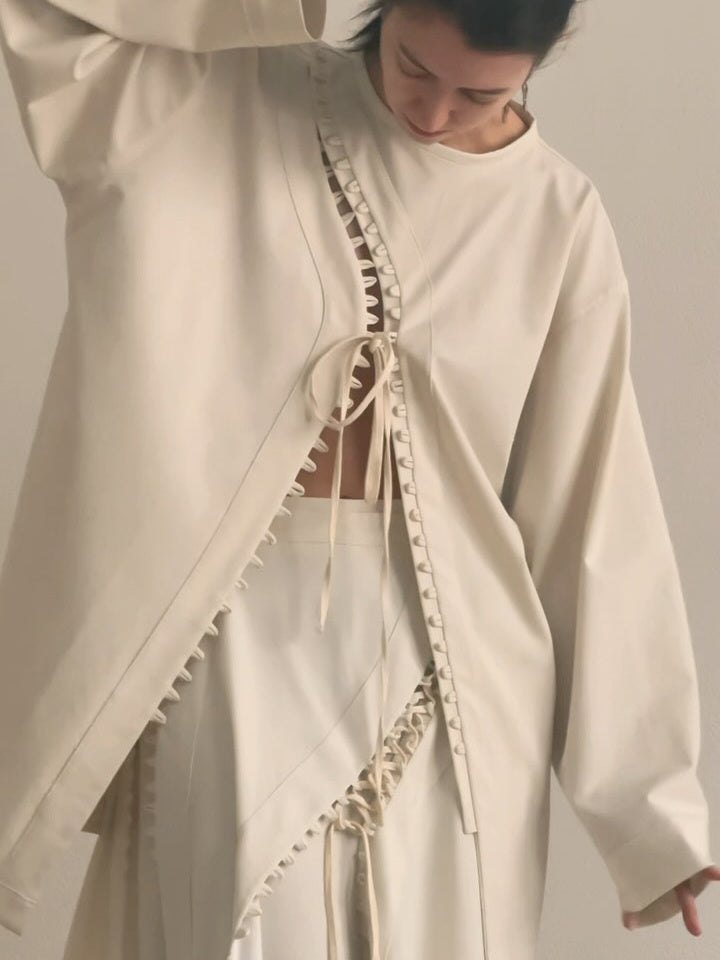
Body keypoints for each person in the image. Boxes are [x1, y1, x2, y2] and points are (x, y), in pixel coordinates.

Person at [0, 0, 716, 958]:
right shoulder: (214, 109)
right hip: (230, 636)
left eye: (480, 94)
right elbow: (50, 14)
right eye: (414, 66)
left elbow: (596, 513)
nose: (433, 112)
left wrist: (652, 815)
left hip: (457, 682)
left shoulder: (558, 216)